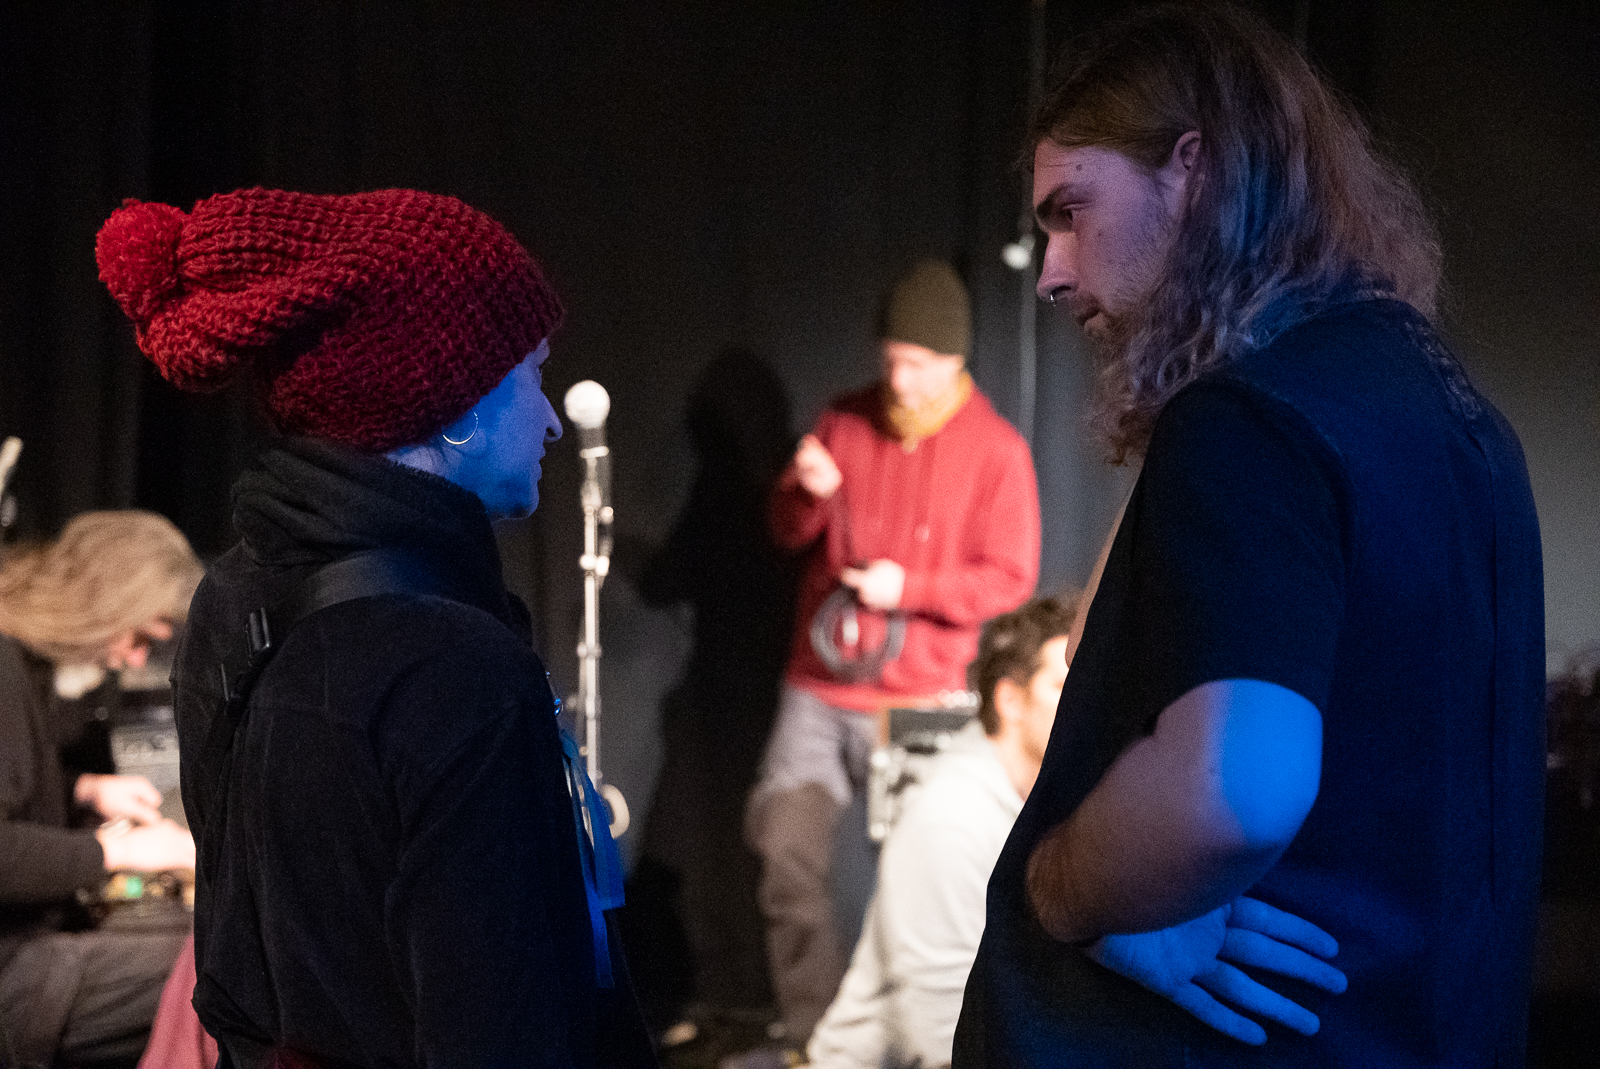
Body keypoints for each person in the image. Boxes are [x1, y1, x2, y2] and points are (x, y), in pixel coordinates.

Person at [954, 7, 1544, 1068]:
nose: (1050, 271)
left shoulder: (1250, 420)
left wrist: (1060, 887)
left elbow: (1237, 791)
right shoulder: (1461, 424)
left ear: (1192, 170)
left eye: (1071, 212)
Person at [95, 188, 656, 1067]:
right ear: (455, 404)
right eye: (531, 376)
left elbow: (238, 971)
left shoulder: (229, 601)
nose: (550, 418)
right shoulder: (456, 668)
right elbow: (504, 1034)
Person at [750, 258, 1041, 1053]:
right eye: (891, 360)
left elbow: (1011, 579)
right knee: (785, 852)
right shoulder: (844, 421)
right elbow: (785, 531)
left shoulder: (997, 451)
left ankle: (928, 1046)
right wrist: (804, 489)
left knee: (922, 881)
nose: (900, 380)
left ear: (955, 360)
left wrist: (907, 586)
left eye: (917, 364)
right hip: (821, 686)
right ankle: (817, 1041)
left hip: (923, 696)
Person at [807, 597, 1073, 1069]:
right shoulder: (952, 816)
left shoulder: (1051, 803)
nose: (1083, 703)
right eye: (1061, 686)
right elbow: (945, 1029)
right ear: (1010, 701)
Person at [0, 509, 202, 1068]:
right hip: (13, 976)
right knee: (222, 971)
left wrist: (82, 790)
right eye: (137, 638)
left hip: (25, 948)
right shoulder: (4, 668)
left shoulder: (22, 657)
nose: (134, 660)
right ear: (102, 604)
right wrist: (118, 852)